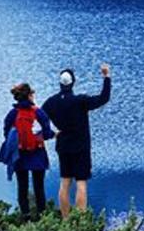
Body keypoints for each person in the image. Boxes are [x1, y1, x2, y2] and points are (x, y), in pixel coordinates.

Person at [43, 63, 111, 217]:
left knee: (65, 183)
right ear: (73, 83)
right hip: (81, 147)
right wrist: (106, 77)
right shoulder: (80, 101)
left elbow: (39, 118)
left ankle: (66, 220)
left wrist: (51, 133)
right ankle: (80, 223)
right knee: (81, 183)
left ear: (60, 83)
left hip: (63, 146)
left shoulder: (51, 102)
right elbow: (103, 98)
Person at [4, 82, 54, 216]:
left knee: (22, 187)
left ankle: (25, 217)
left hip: (19, 155)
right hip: (38, 153)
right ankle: (43, 217)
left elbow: (6, 133)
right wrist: (53, 134)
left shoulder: (13, 114)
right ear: (30, 96)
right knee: (39, 187)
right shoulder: (38, 112)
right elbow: (47, 133)